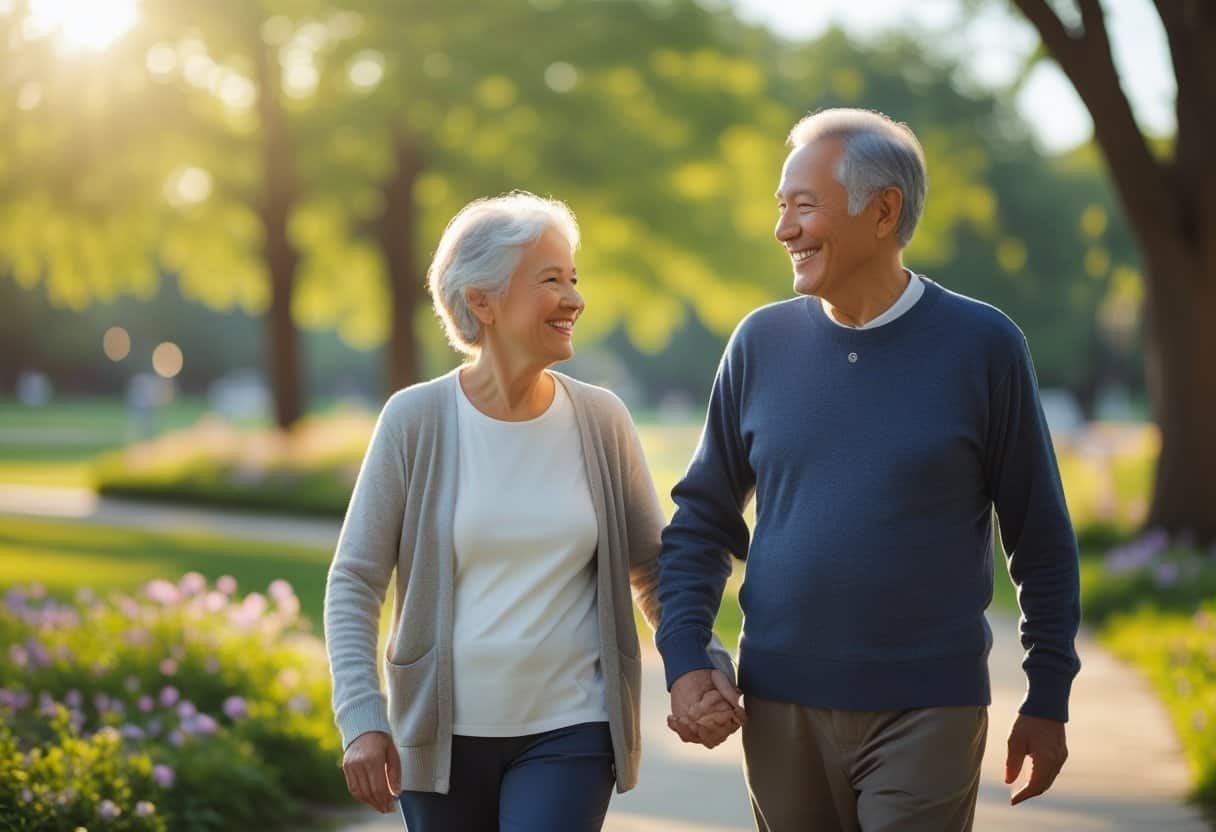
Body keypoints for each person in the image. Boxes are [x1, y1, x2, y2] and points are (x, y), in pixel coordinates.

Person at [656, 108, 1081, 831]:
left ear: (884, 212)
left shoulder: (983, 345)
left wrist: (1048, 695)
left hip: (929, 706)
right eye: (781, 206)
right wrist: (687, 658)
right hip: (780, 706)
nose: (783, 229)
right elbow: (700, 522)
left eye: (804, 206)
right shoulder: (759, 343)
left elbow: (1038, 535)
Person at [323, 191, 740, 832]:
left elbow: (655, 571)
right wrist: (361, 717)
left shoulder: (601, 420)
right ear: (482, 302)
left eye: (573, 279)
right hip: (439, 738)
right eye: (551, 281)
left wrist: (700, 665)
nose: (574, 299)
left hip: (572, 729)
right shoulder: (415, 421)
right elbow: (355, 580)